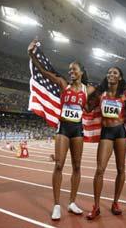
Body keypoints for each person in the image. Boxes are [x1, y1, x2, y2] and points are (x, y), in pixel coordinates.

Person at [28, 39, 95, 220]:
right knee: (59, 164)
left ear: (81, 72)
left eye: (74, 69)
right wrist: (32, 55)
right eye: (70, 69)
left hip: (77, 131)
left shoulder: (87, 90)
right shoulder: (63, 84)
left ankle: (72, 202)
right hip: (64, 128)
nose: (71, 71)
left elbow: (90, 108)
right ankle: (57, 204)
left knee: (77, 166)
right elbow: (43, 71)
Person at [86, 67, 126, 219]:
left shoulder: (125, 94)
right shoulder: (100, 93)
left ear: (120, 77)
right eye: (109, 72)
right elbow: (87, 107)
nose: (111, 74)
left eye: (115, 73)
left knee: (121, 168)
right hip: (107, 132)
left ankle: (115, 202)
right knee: (100, 169)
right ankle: (96, 206)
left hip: (120, 132)